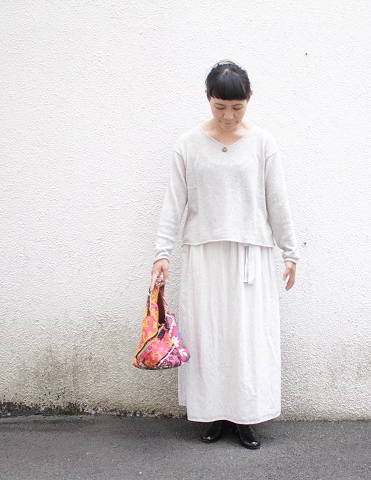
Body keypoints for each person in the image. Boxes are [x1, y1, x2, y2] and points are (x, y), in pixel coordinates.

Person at [149, 60, 300, 450]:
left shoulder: (263, 143)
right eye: (220, 107)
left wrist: (290, 252)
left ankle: (246, 416)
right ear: (207, 98)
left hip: (250, 254)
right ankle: (213, 413)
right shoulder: (188, 144)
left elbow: (277, 201)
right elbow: (173, 202)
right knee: (208, 334)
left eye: (237, 107)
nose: (229, 115)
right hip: (204, 253)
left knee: (247, 336)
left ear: (249, 99)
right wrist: (162, 252)